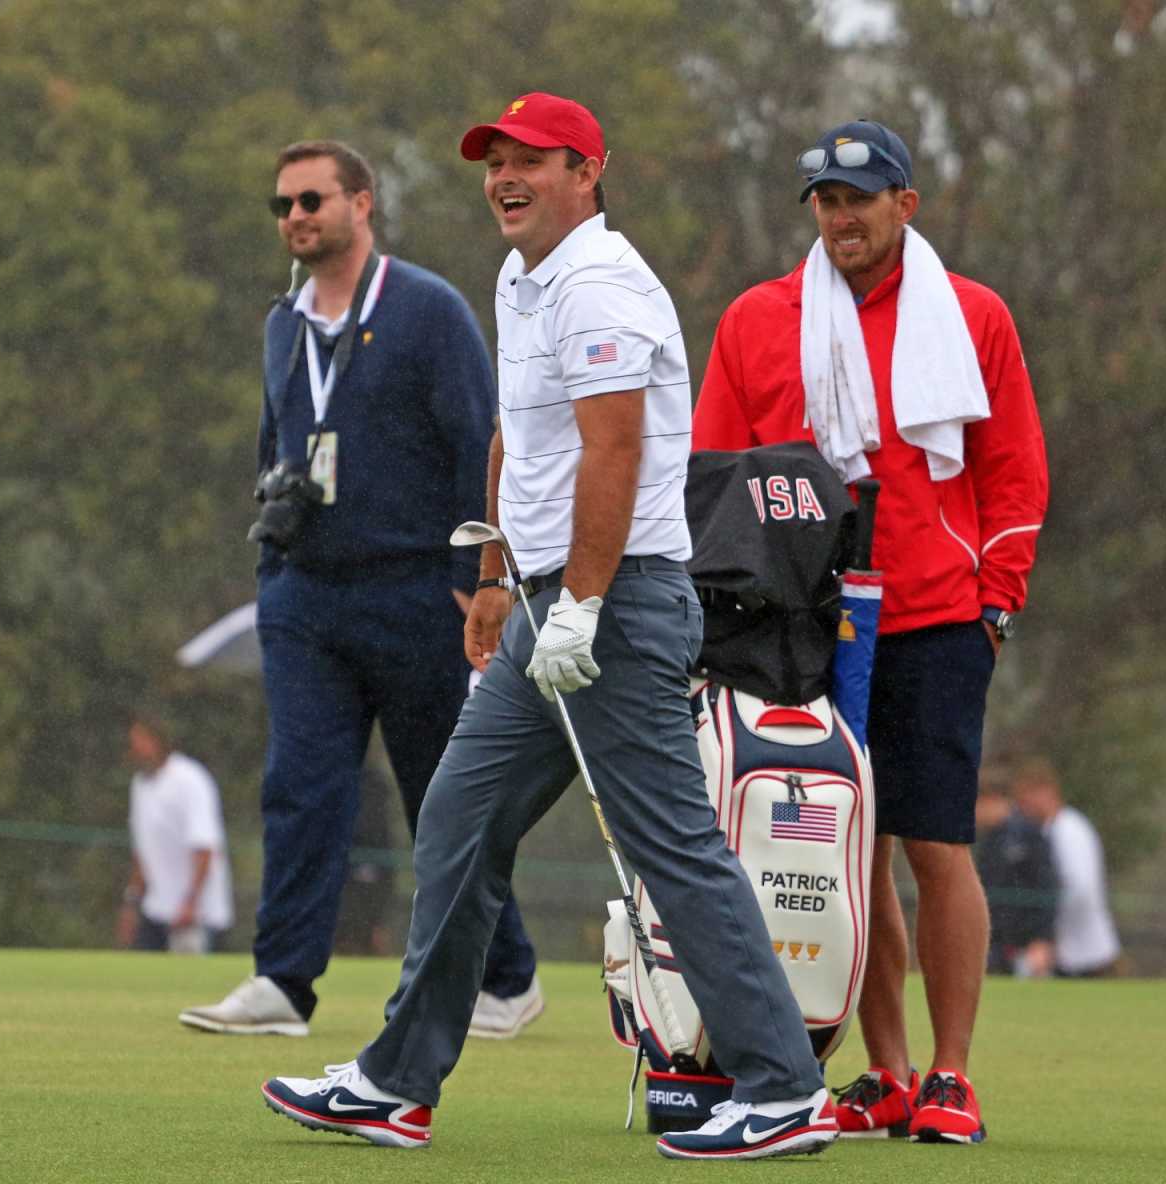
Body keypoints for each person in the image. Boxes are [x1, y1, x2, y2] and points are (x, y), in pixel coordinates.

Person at [259, 93, 839, 1161]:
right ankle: (395, 1082)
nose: (503, 177)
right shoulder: (522, 278)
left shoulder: (602, 282)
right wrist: (490, 570)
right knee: (456, 817)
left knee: (672, 847)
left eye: (530, 159)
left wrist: (578, 601)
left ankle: (781, 1085)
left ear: (588, 170)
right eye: (493, 161)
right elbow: (514, 440)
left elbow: (611, 453)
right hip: (541, 603)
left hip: (613, 603)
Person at [691, 118, 1049, 1144]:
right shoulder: (761, 318)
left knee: (936, 844)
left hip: (934, 611)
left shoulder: (970, 315)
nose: (839, 216)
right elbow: (718, 472)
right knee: (853, 850)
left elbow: (1013, 467)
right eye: (824, 198)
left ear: (906, 203)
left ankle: (950, 1073)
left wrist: (996, 597)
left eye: (859, 196)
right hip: (796, 623)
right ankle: (884, 1071)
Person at [183, 138, 541, 1038]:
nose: (296, 218)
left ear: (361, 203)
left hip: (420, 591)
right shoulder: (283, 323)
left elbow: (481, 444)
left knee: (440, 798)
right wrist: (272, 577)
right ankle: (282, 984)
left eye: (312, 200)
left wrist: (479, 576)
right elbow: (275, 450)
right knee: (301, 787)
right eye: (283, 207)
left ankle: (507, 976)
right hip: (306, 596)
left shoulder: (427, 311)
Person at [118, 715, 234, 954]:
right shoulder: (139, 785)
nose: (134, 748)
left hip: (196, 915)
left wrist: (190, 903)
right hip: (157, 911)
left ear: (157, 741)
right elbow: (143, 852)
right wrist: (131, 904)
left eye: (140, 741)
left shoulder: (190, 779)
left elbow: (203, 848)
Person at [1012, 756, 1120, 978]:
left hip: (1085, 955)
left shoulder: (1070, 830)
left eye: (1026, 798)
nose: (1023, 807)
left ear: (1045, 791)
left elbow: (1080, 888)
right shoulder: (1048, 831)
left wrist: (1049, 937)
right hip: (1068, 952)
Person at [973, 765, 1057, 977]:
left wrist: (1042, 940)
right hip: (996, 945)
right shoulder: (987, 841)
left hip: (1026, 949)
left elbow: (1046, 887)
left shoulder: (1028, 834)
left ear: (990, 799)